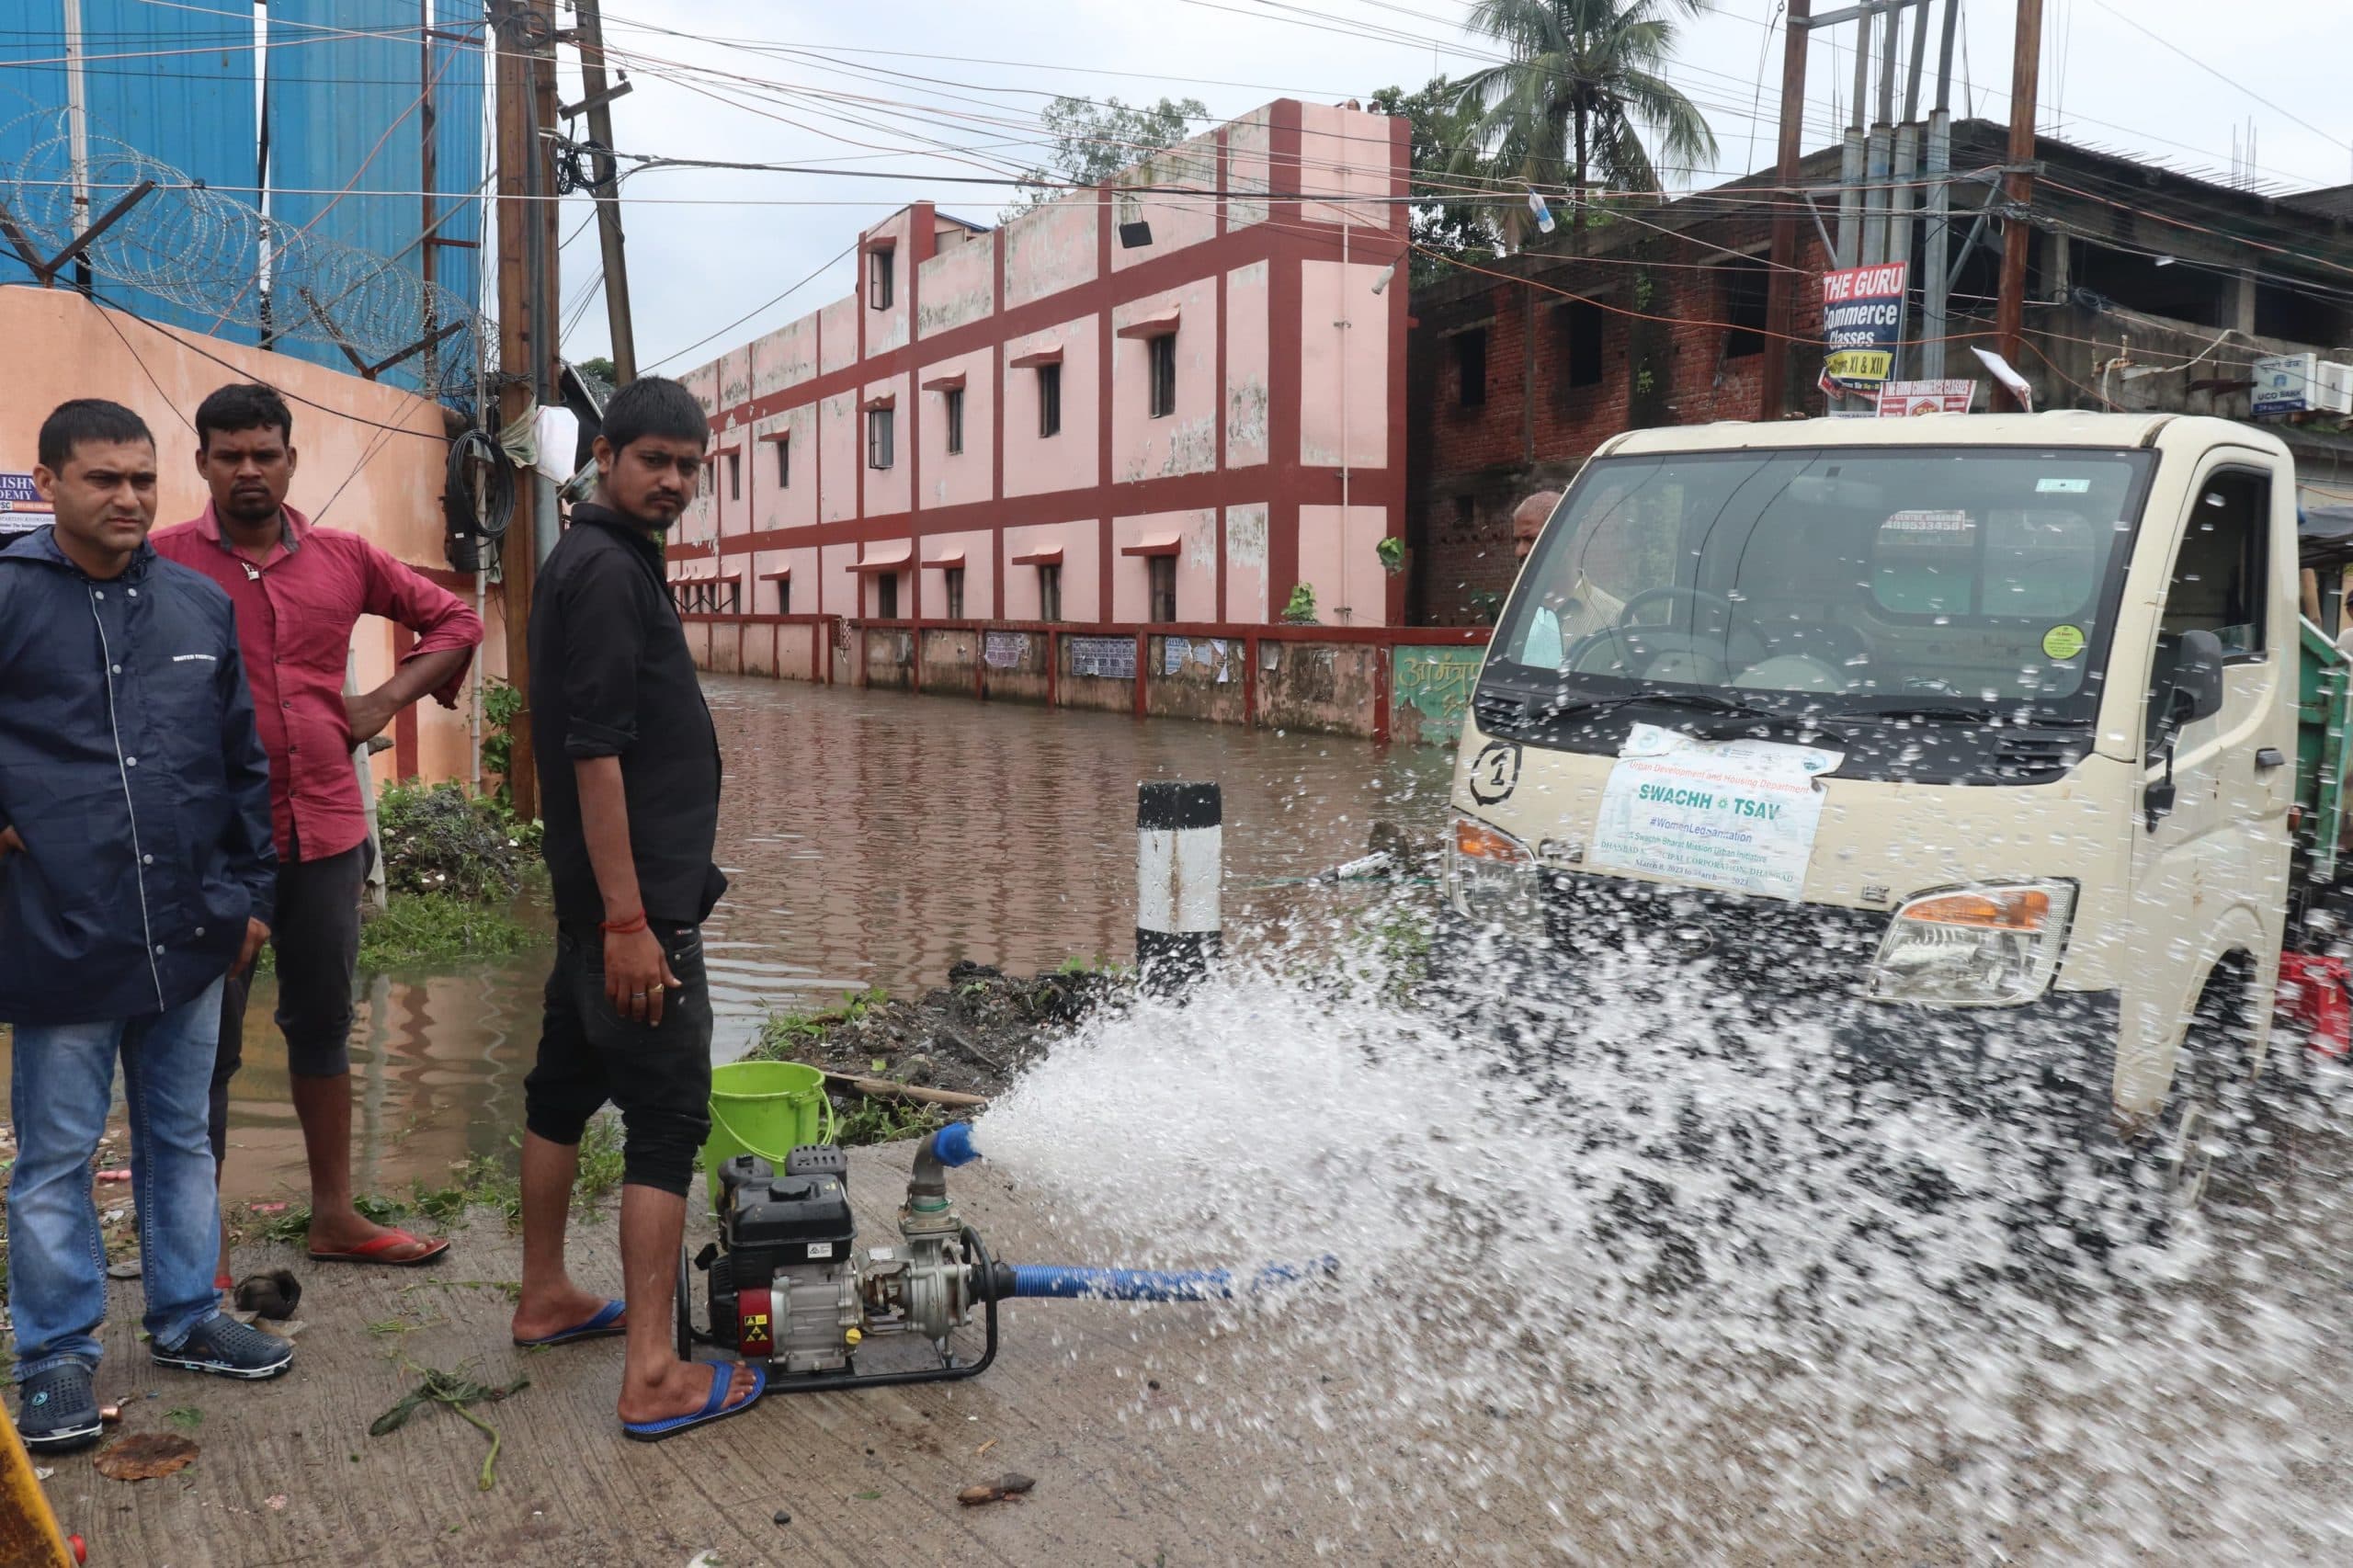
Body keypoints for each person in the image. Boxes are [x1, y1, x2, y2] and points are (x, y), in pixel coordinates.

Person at [0, 400, 293, 1450]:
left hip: (189, 924)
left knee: (178, 1137)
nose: (127, 497)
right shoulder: (9, 594)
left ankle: (185, 1316)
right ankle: (54, 1357)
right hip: (60, 930)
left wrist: (250, 897)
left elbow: (240, 762)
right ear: (48, 482)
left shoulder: (193, 606)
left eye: (142, 478)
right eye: (102, 479)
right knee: (55, 1154)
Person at [151, 383, 483, 1276]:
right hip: (212, 846)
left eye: (265, 452)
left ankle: (334, 1214)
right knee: (202, 1040)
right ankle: (198, 1243)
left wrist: (380, 699)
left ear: (291, 460)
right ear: (203, 463)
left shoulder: (344, 557)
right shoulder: (162, 563)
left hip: (328, 827)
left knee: (324, 1022)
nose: (249, 469)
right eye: (230, 454)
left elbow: (455, 618)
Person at [508, 376, 764, 1439]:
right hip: (635, 916)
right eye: (654, 459)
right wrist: (629, 923)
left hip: (596, 904)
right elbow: (596, 750)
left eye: (691, 466)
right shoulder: (607, 570)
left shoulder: (595, 558)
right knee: (667, 1119)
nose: (673, 480)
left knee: (560, 1089)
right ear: (605, 454)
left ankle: (544, 1295)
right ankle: (653, 1369)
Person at [1510, 489, 1566, 669]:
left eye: (1530, 539)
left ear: (1565, 536)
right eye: (1517, 541)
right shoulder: (1514, 612)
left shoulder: (1612, 617)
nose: (1519, 551)